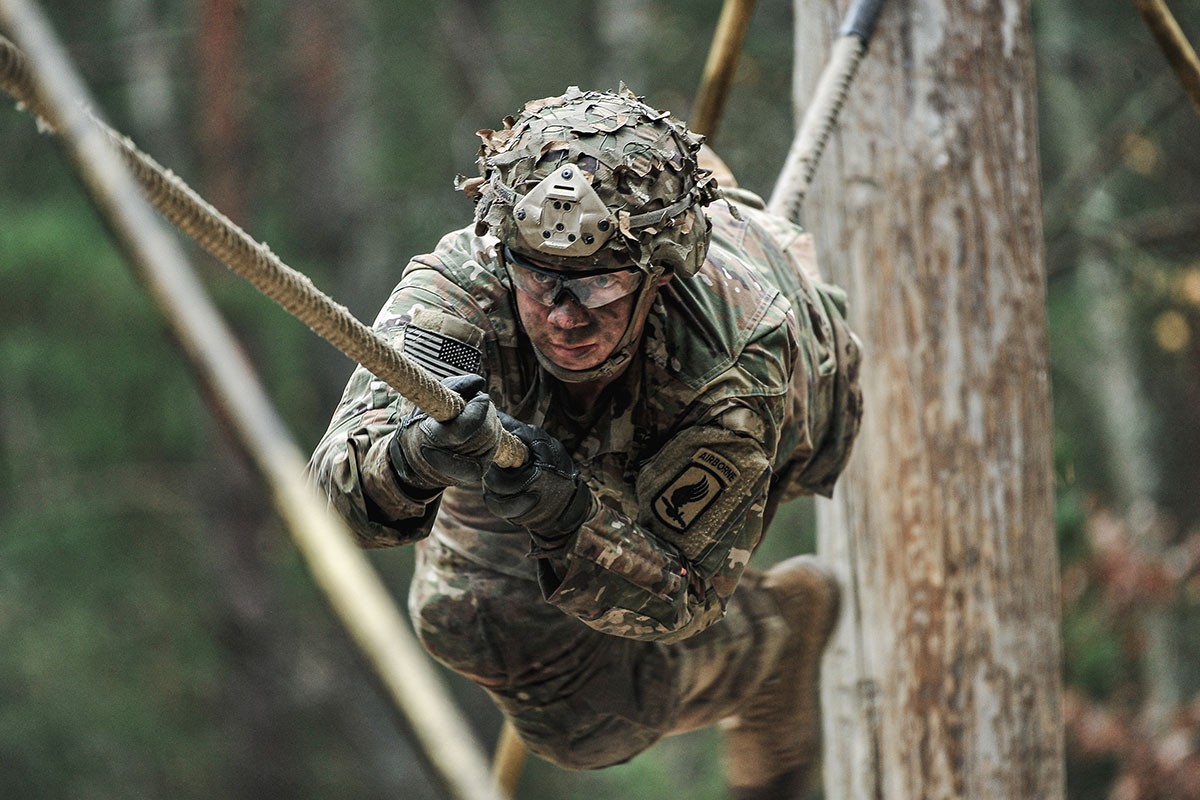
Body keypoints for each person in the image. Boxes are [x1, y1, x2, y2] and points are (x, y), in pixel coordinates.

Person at [309, 85, 862, 799]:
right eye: (540, 282)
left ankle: (771, 642)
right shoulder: (467, 290)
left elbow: (685, 592)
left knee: (588, 726)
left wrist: (569, 520)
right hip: (564, 414)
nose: (564, 317)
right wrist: (413, 460)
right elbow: (338, 496)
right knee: (465, 615)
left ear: (657, 277)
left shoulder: (730, 369)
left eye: (597, 289)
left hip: (742, 415)